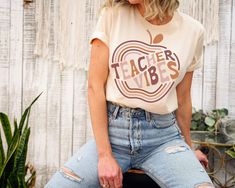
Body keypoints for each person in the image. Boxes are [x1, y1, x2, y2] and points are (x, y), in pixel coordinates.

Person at [45, 0, 215, 187]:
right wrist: (104, 155)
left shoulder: (192, 31)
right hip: (114, 137)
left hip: (163, 139)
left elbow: (183, 99)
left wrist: (188, 149)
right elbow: (95, 87)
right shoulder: (113, 15)